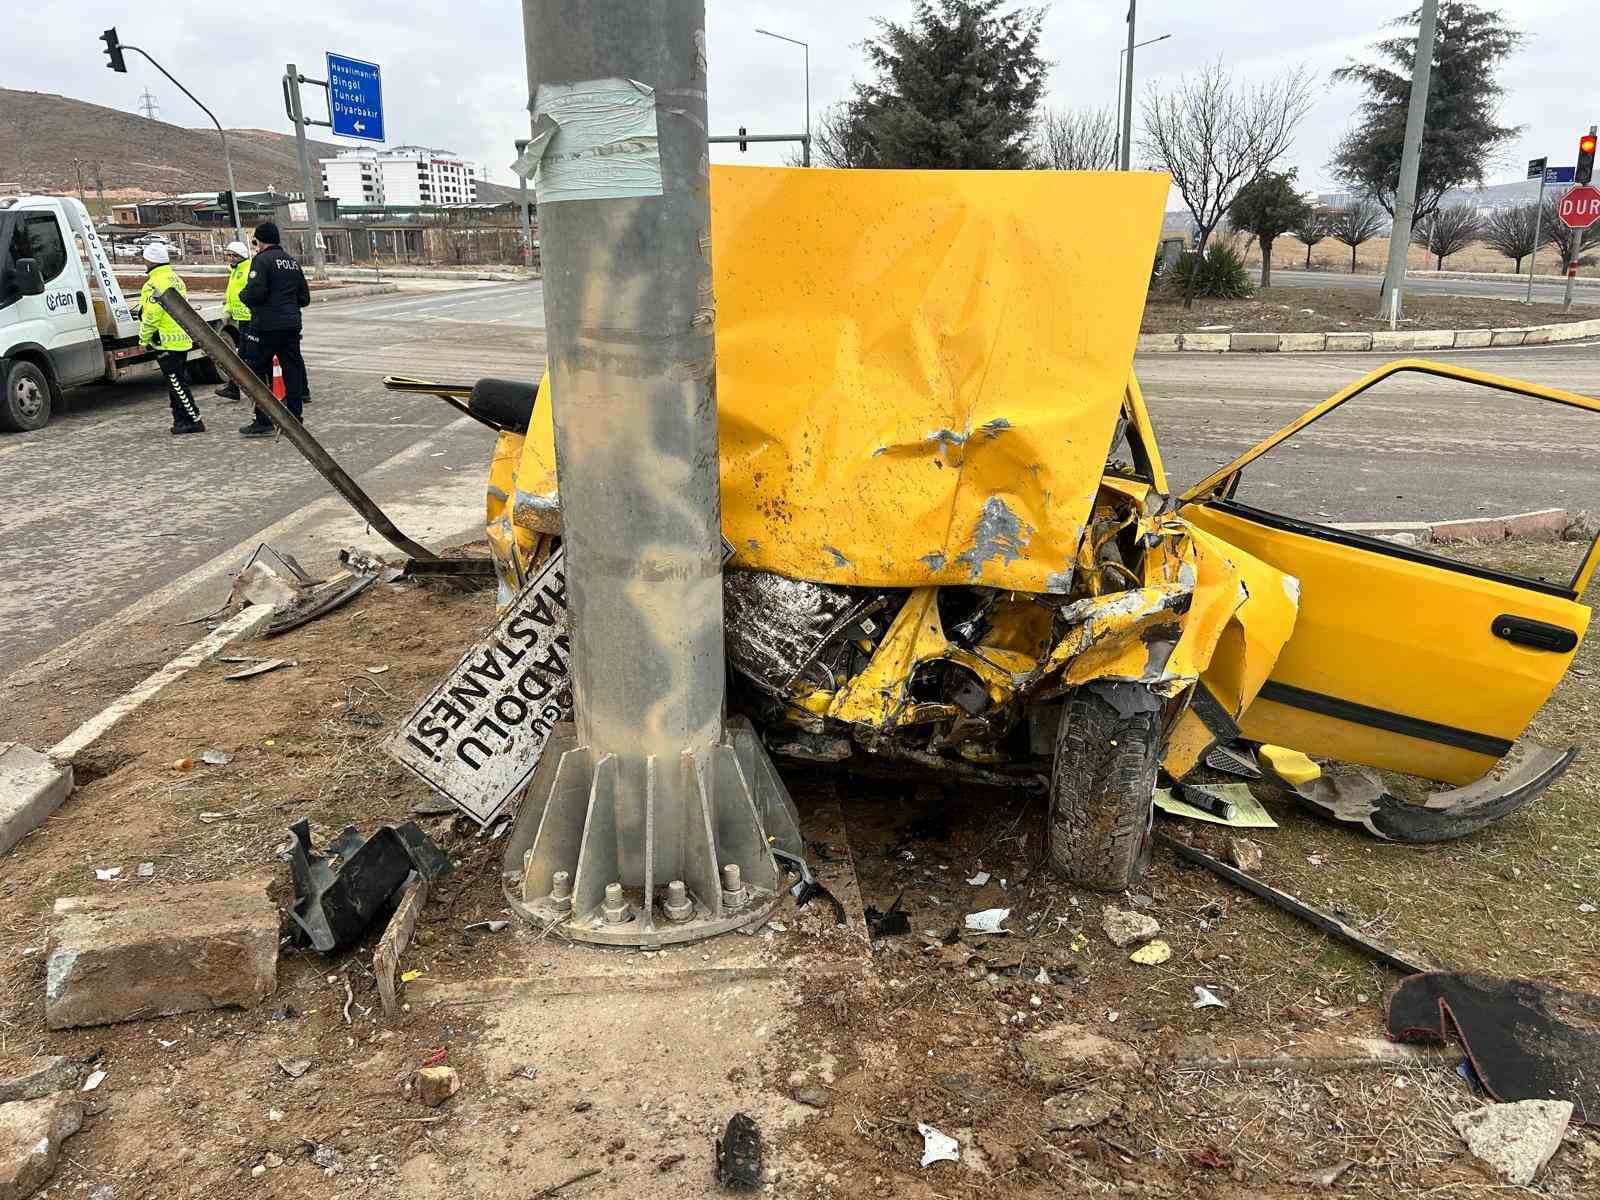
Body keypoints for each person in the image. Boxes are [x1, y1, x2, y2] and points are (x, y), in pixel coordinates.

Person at [237, 221, 310, 437]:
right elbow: (304, 298)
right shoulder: (292, 263)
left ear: (259, 240)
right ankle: (295, 417)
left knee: (256, 371)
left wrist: (244, 296)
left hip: (266, 327)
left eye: (255, 242)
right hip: (291, 326)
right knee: (292, 371)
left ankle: (263, 419)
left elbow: (256, 293)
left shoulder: (261, 261)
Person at [137, 243, 204, 435]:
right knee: (176, 382)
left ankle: (193, 419)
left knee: (176, 383)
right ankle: (181, 419)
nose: (144, 262)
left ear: (151, 261)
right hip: (180, 338)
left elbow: (152, 315)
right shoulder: (176, 279)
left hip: (166, 341)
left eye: (145, 259)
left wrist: (143, 339)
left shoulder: (153, 284)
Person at [214, 239, 252, 400]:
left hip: (250, 319)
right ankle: (234, 387)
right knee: (242, 356)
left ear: (241, 255)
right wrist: (228, 312)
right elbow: (231, 295)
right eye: (228, 255)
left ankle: (235, 387)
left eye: (233, 255)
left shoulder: (248, 269)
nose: (230, 258)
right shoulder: (235, 271)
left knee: (244, 356)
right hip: (240, 319)